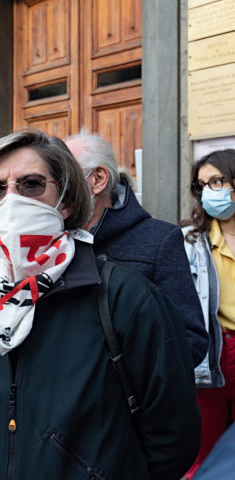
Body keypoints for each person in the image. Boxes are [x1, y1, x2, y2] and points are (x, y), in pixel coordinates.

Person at [0, 130, 200, 479]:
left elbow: (172, 432)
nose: (11, 200)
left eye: (31, 184)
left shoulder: (126, 297)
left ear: (65, 201)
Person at [65, 129, 208, 367]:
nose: (56, 187)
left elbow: (189, 342)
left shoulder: (160, 240)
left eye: (65, 175)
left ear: (98, 179)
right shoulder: (50, 241)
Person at [181, 149, 235, 479]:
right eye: (201, 185)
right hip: (209, 351)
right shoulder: (189, 241)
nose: (208, 192)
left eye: (216, 181)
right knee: (203, 451)